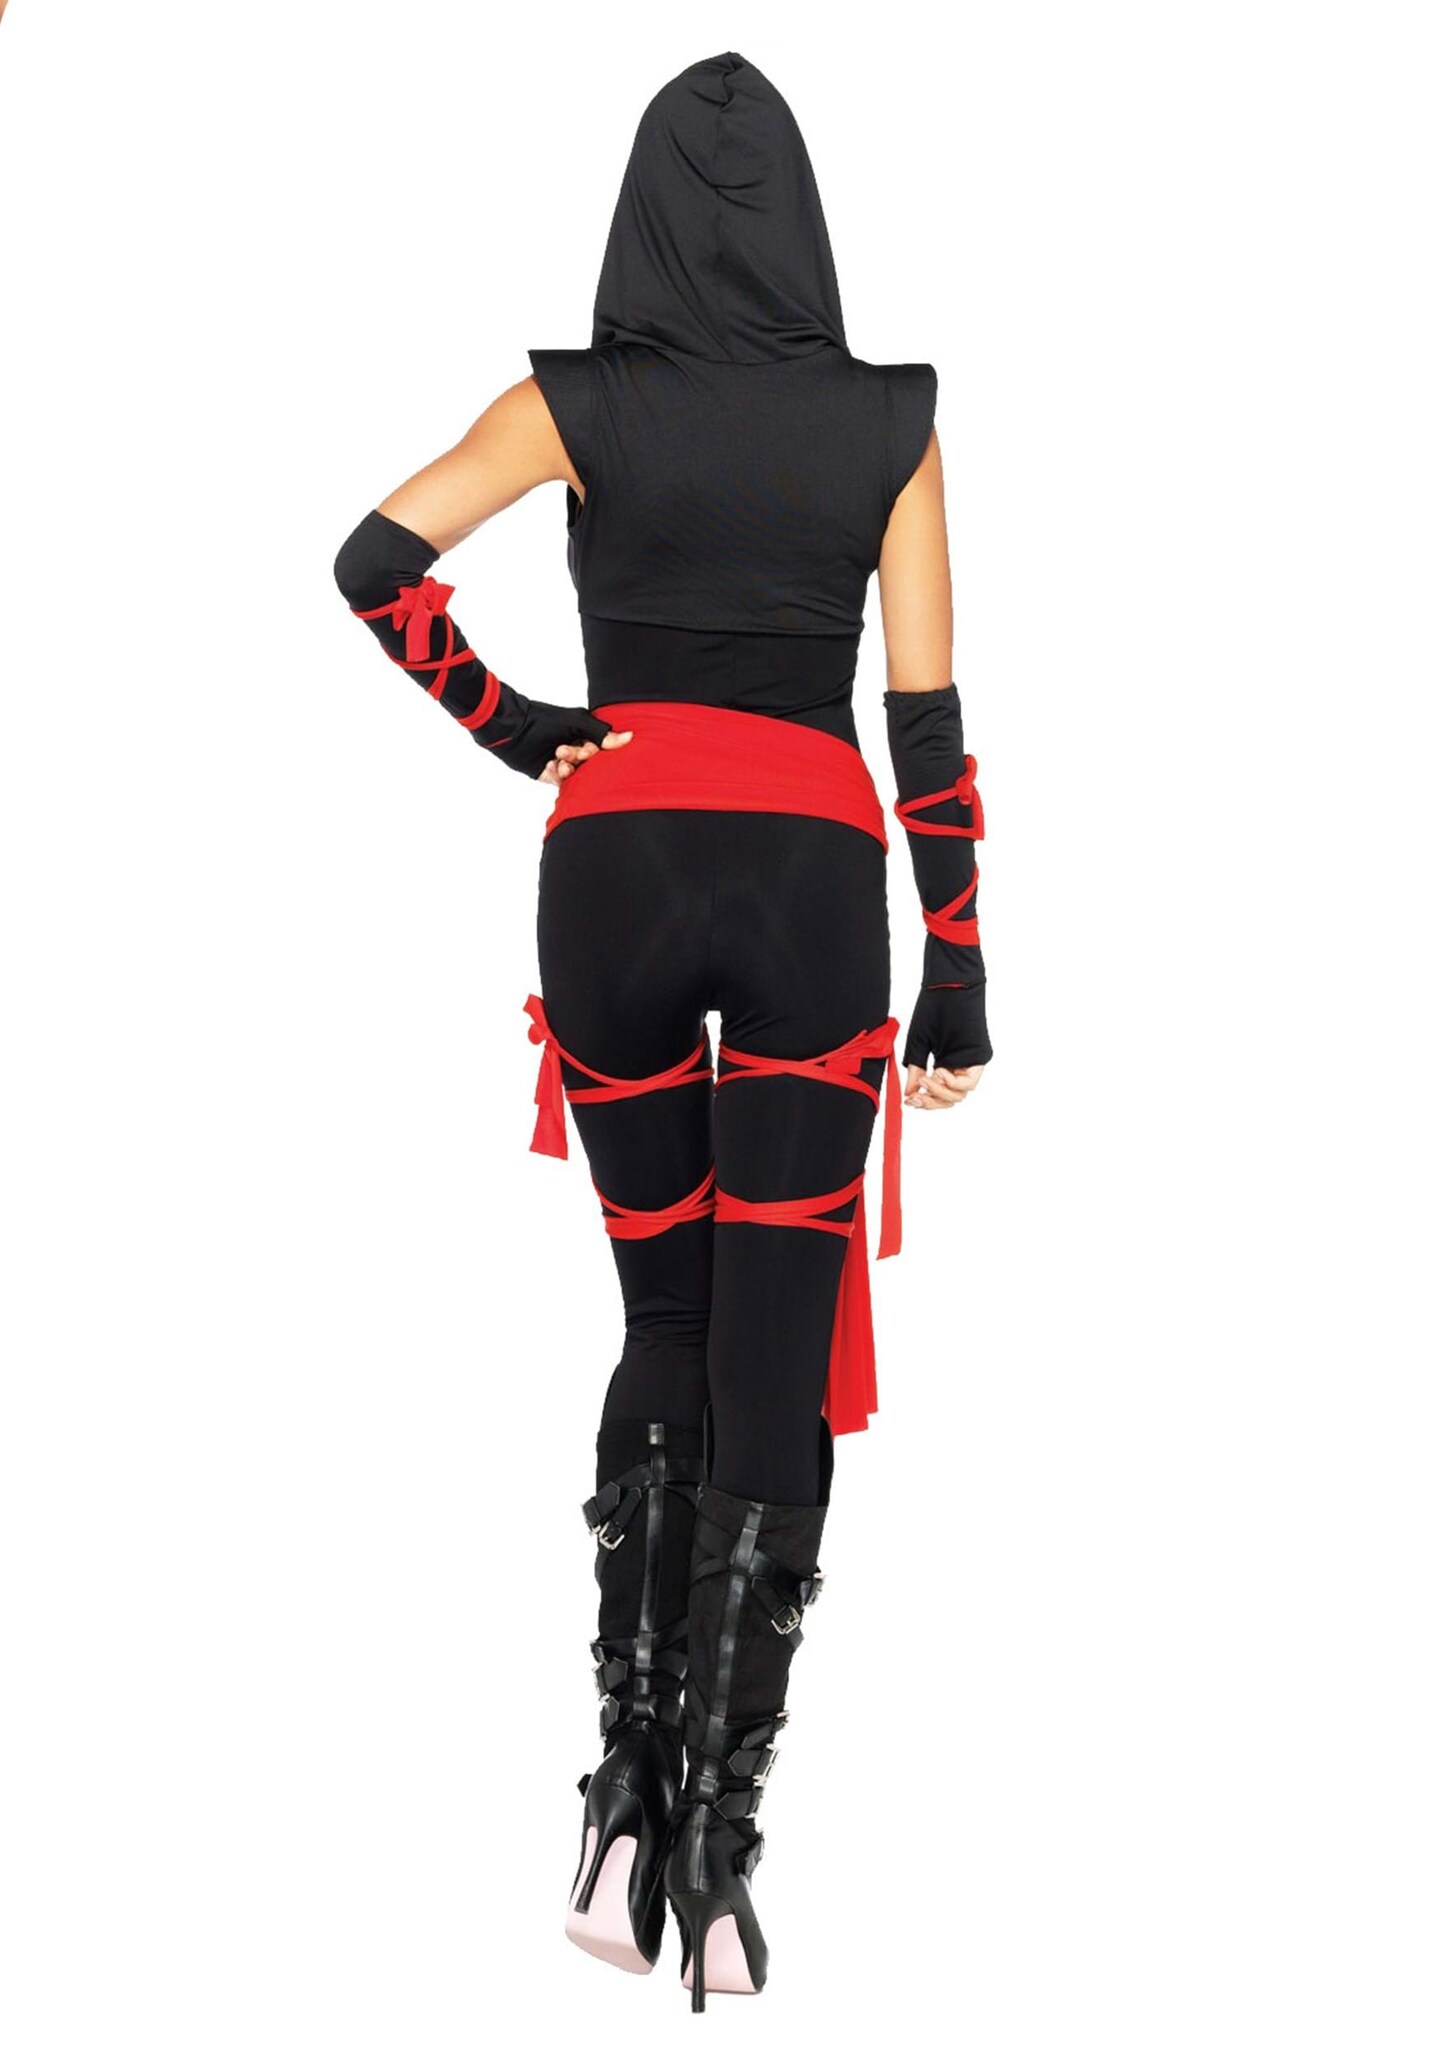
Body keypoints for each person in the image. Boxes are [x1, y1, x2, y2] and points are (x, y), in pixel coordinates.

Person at [333, 51, 991, 2012]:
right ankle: (715, 1859)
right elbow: (927, 724)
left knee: (665, 1319)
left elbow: (374, 566)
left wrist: (522, 727)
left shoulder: (572, 401)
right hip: (807, 881)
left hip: (613, 865)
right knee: (771, 1345)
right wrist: (959, 970)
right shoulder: (888, 422)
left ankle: (620, 1805)